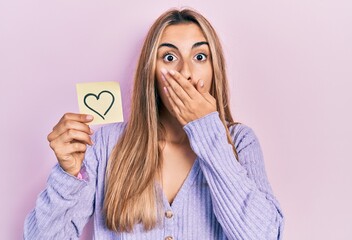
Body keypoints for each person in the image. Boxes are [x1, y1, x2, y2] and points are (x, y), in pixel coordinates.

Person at [24, 8, 284, 239]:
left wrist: (208, 131)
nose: (186, 72)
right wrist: (68, 175)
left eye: (200, 57)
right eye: (169, 58)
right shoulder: (105, 144)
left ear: (215, 68)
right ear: (151, 71)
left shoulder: (240, 142)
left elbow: (265, 235)